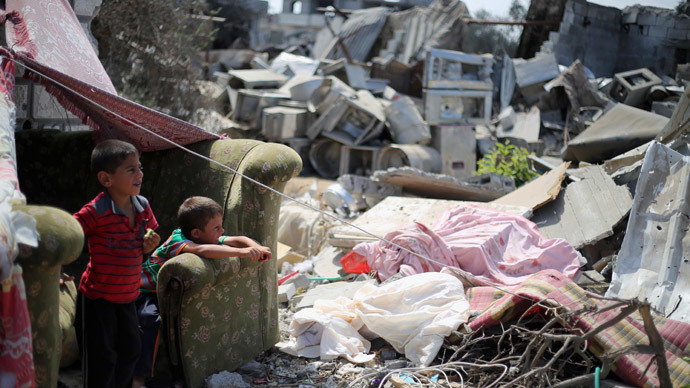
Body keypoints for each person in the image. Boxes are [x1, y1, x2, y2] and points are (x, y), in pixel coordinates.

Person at [133, 196, 271, 387]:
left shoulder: (205, 235)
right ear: (196, 233)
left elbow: (236, 239)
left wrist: (256, 247)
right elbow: (204, 250)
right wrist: (242, 253)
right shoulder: (178, 240)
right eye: (217, 228)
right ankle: (138, 379)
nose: (221, 231)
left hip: (161, 293)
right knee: (151, 320)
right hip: (142, 291)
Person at [73, 139, 160, 388]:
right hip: (98, 298)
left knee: (131, 350)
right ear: (106, 179)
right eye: (131, 169)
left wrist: (149, 245)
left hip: (128, 296)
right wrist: (56, 267)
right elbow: (67, 234)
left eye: (139, 167)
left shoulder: (142, 206)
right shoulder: (95, 211)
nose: (140, 174)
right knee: (102, 358)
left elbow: (149, 238)